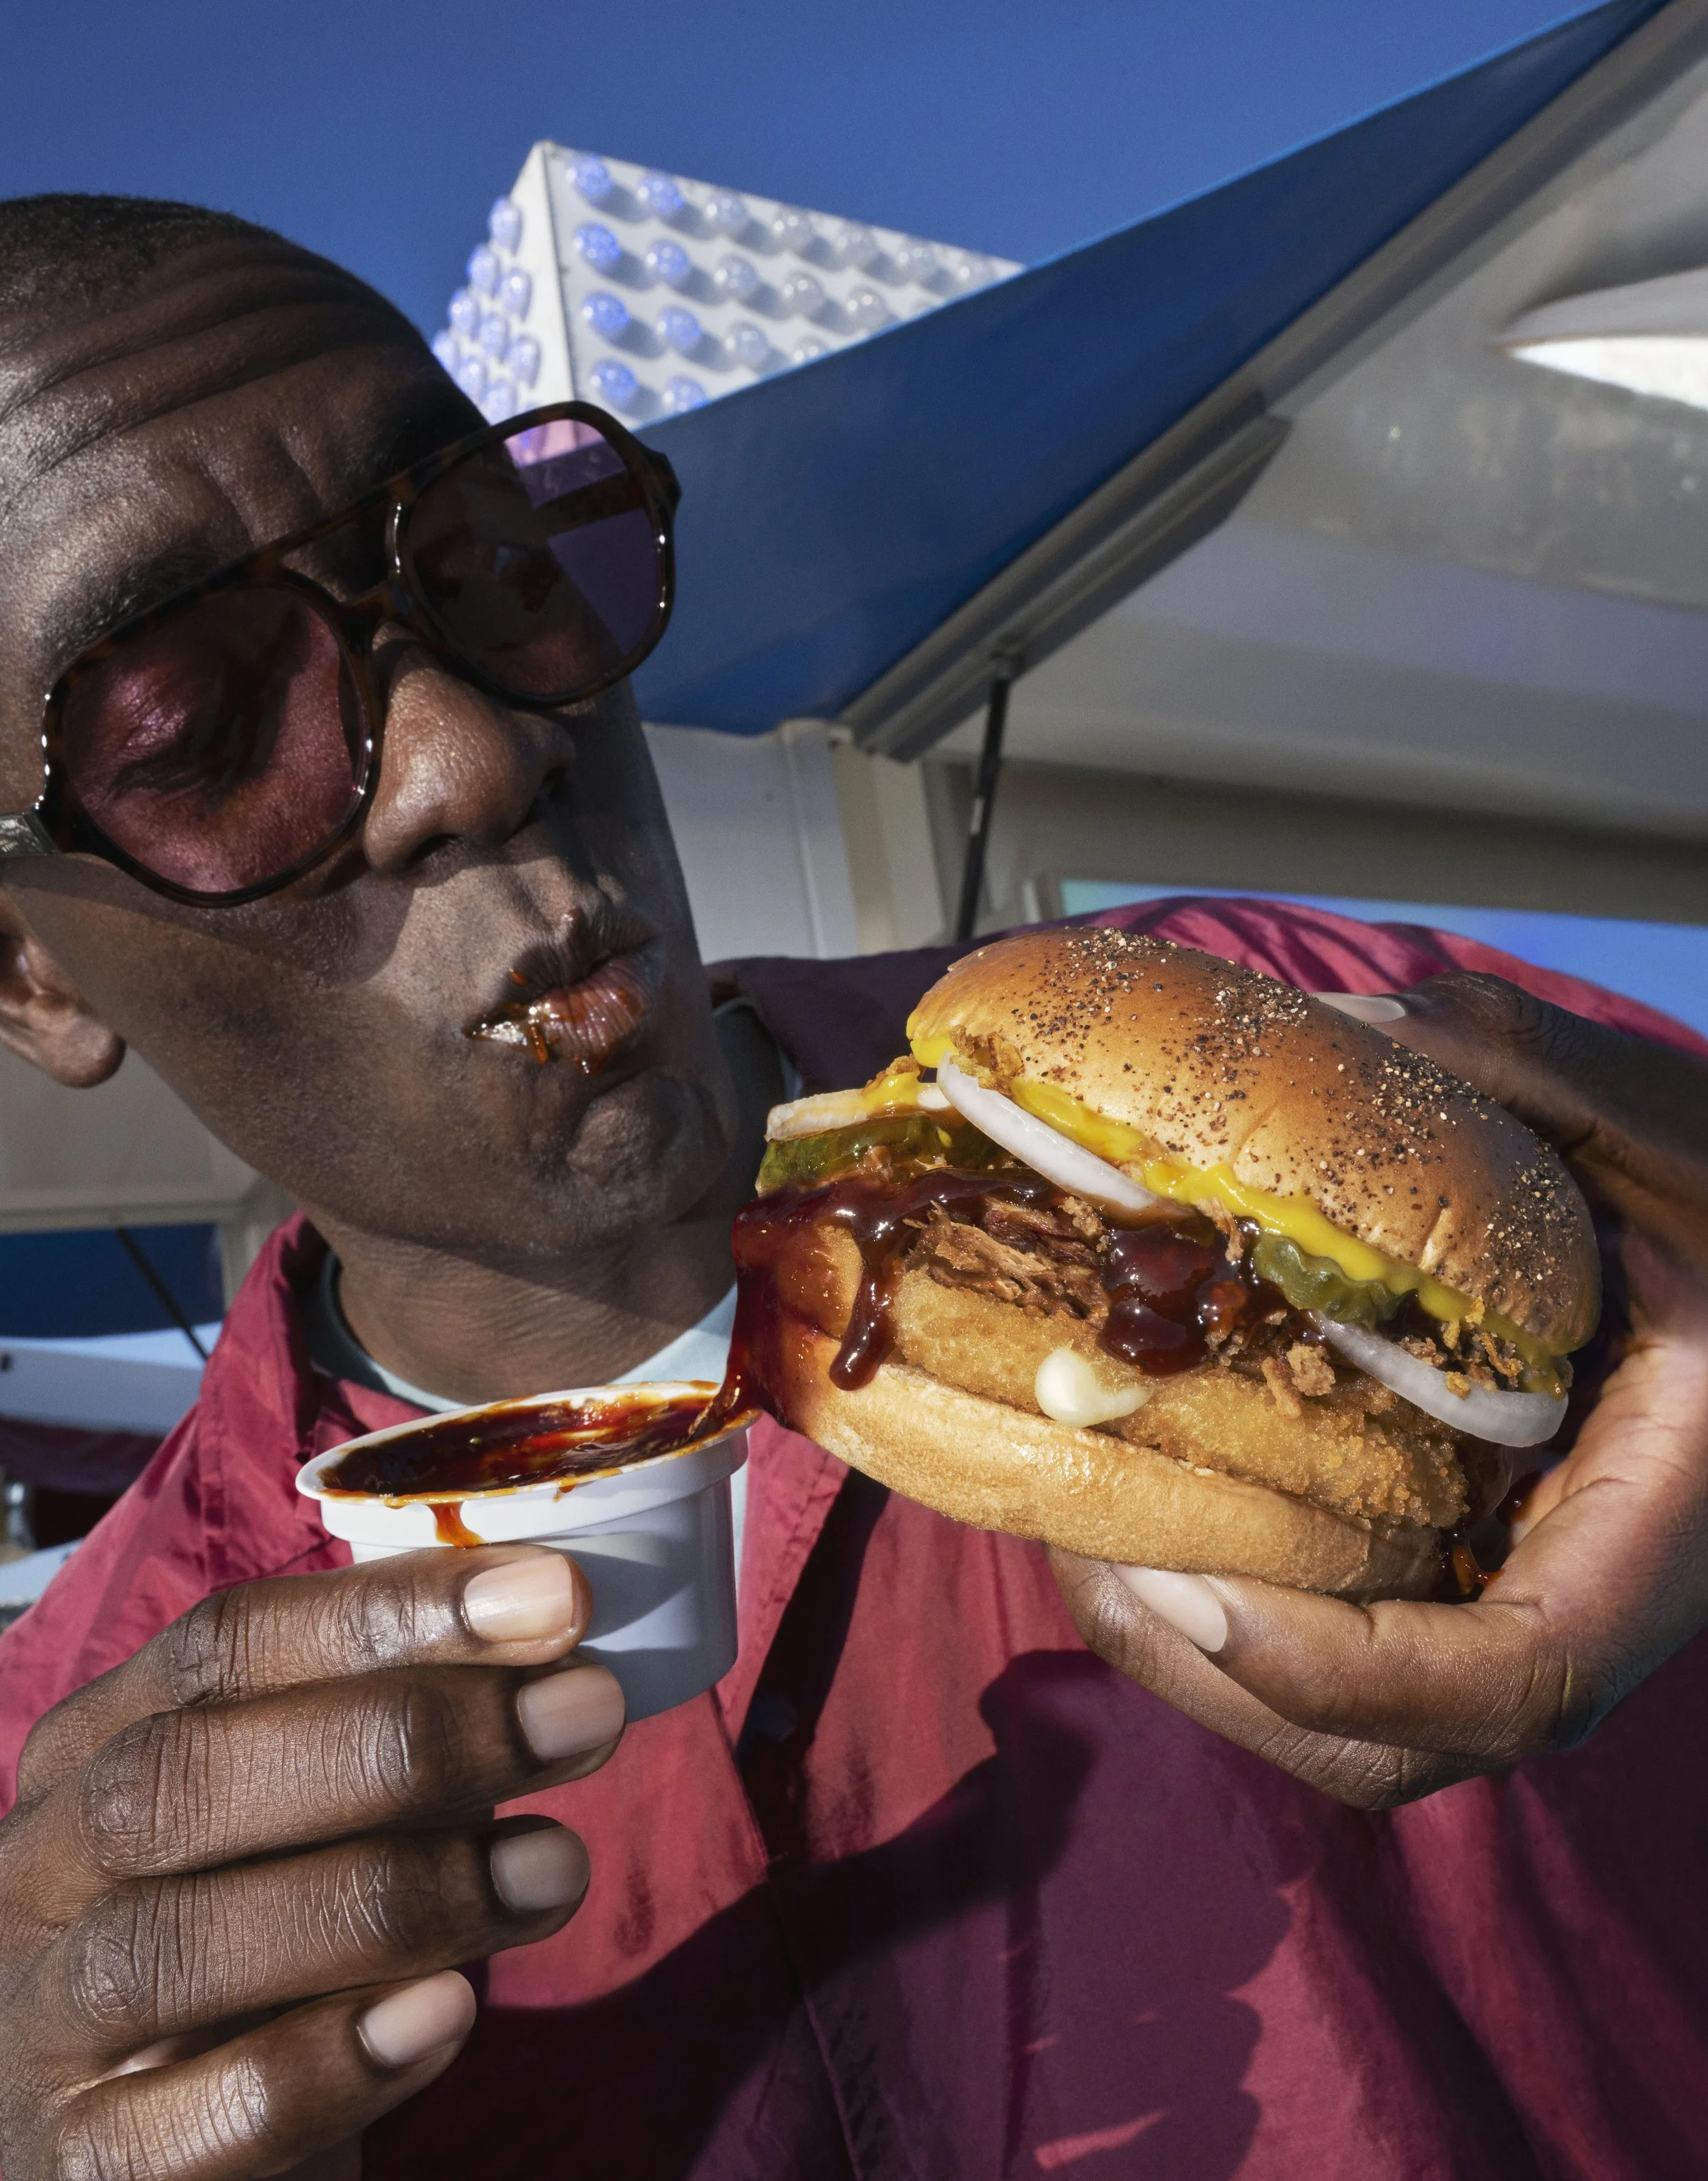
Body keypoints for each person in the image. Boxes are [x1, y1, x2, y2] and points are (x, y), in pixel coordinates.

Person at [0, 193, 1705, 2181]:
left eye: (488, 566)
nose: (472, 757)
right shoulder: (76, 1803)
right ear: (31, 977)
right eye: (196, 736)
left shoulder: (1309, 1035)